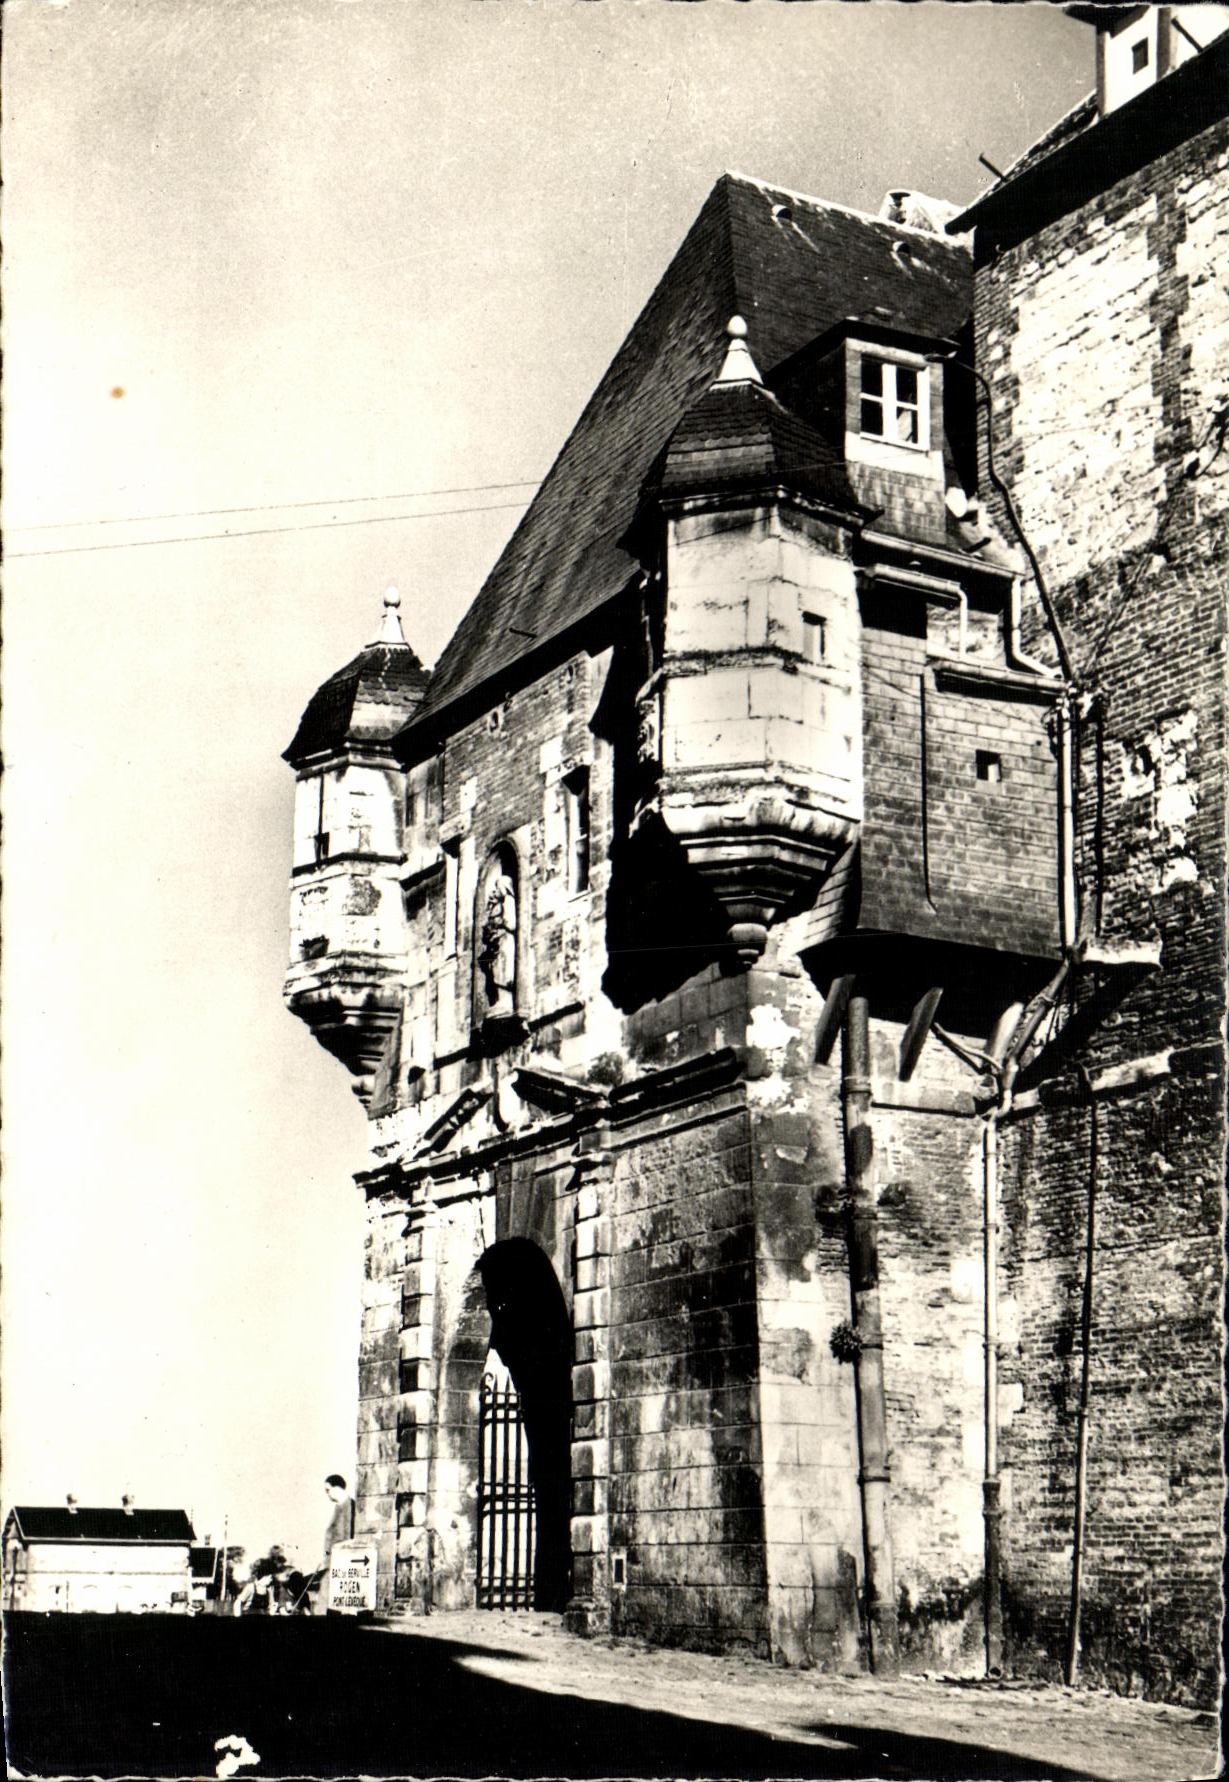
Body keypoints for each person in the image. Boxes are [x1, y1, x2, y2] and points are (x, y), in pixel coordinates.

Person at [309, 1474, 356, 1614]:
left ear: (337, 1488)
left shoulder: (349, 1506)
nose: (327, 1494)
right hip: (333, 1559)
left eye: (328, 1490)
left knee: (328, 1593)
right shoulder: (339, 1507)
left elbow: (347, 1534)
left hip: (341, 1558)